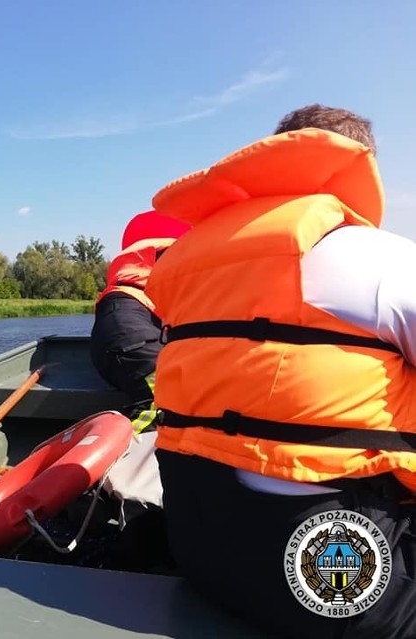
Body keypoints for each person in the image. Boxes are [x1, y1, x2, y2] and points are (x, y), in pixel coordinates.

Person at [145, 104, 416, 638]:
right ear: (362, 168)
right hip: (330, 574)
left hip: (203, 546)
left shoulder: (191, 263)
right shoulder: (376, 257)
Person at [89, 210, 189, 515]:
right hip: (126, 330)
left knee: (176, 390)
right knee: (163, 399)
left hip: (122, 328)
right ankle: (116, 484)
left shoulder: (153, 254)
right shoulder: (170, 252)